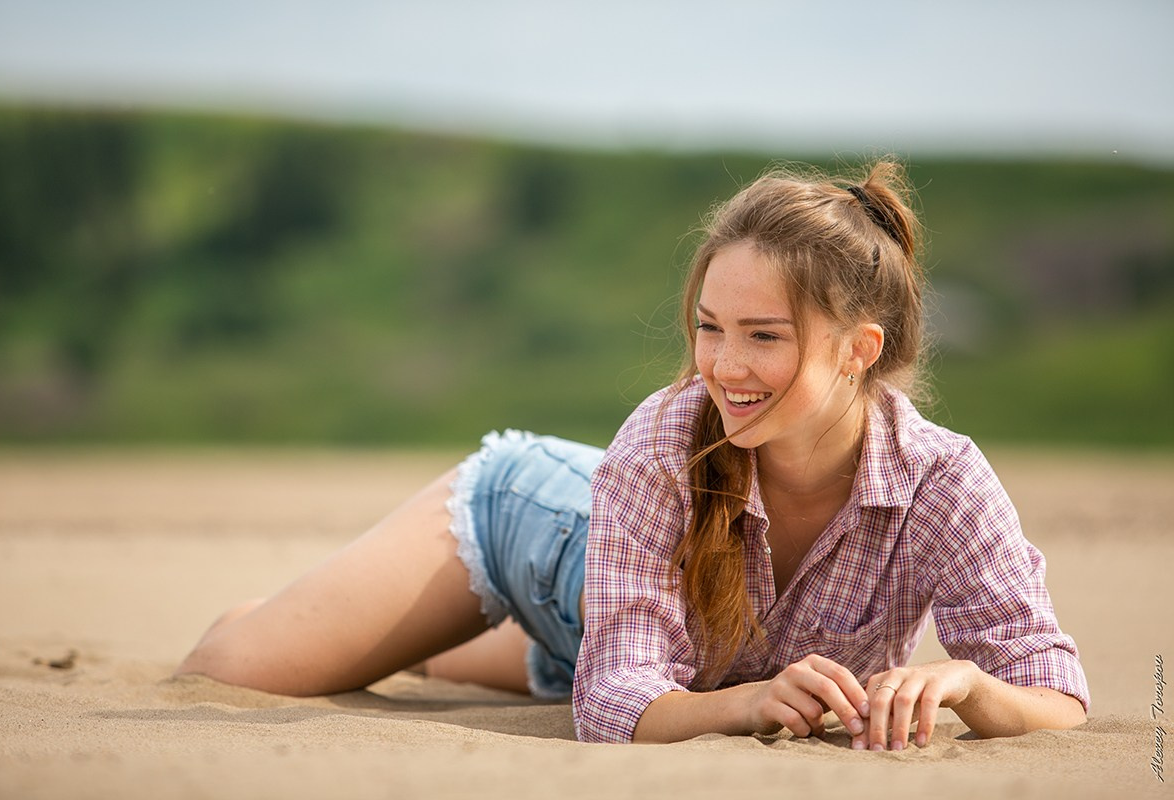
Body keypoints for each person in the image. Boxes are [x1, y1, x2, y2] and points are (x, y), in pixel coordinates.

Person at [175, 159, 1089, 750]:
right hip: (533, 525)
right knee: (232, 669)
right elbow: (613, 705)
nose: (725, 366)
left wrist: (969, 682)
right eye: (709, 327)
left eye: (764, 336)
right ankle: (321, 613)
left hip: (635, 624)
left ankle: (475, 642)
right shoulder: (664, 440)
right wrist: (745, 703)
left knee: (592, 649)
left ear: (860, 348)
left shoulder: (943, 480)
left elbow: (1054, 692)